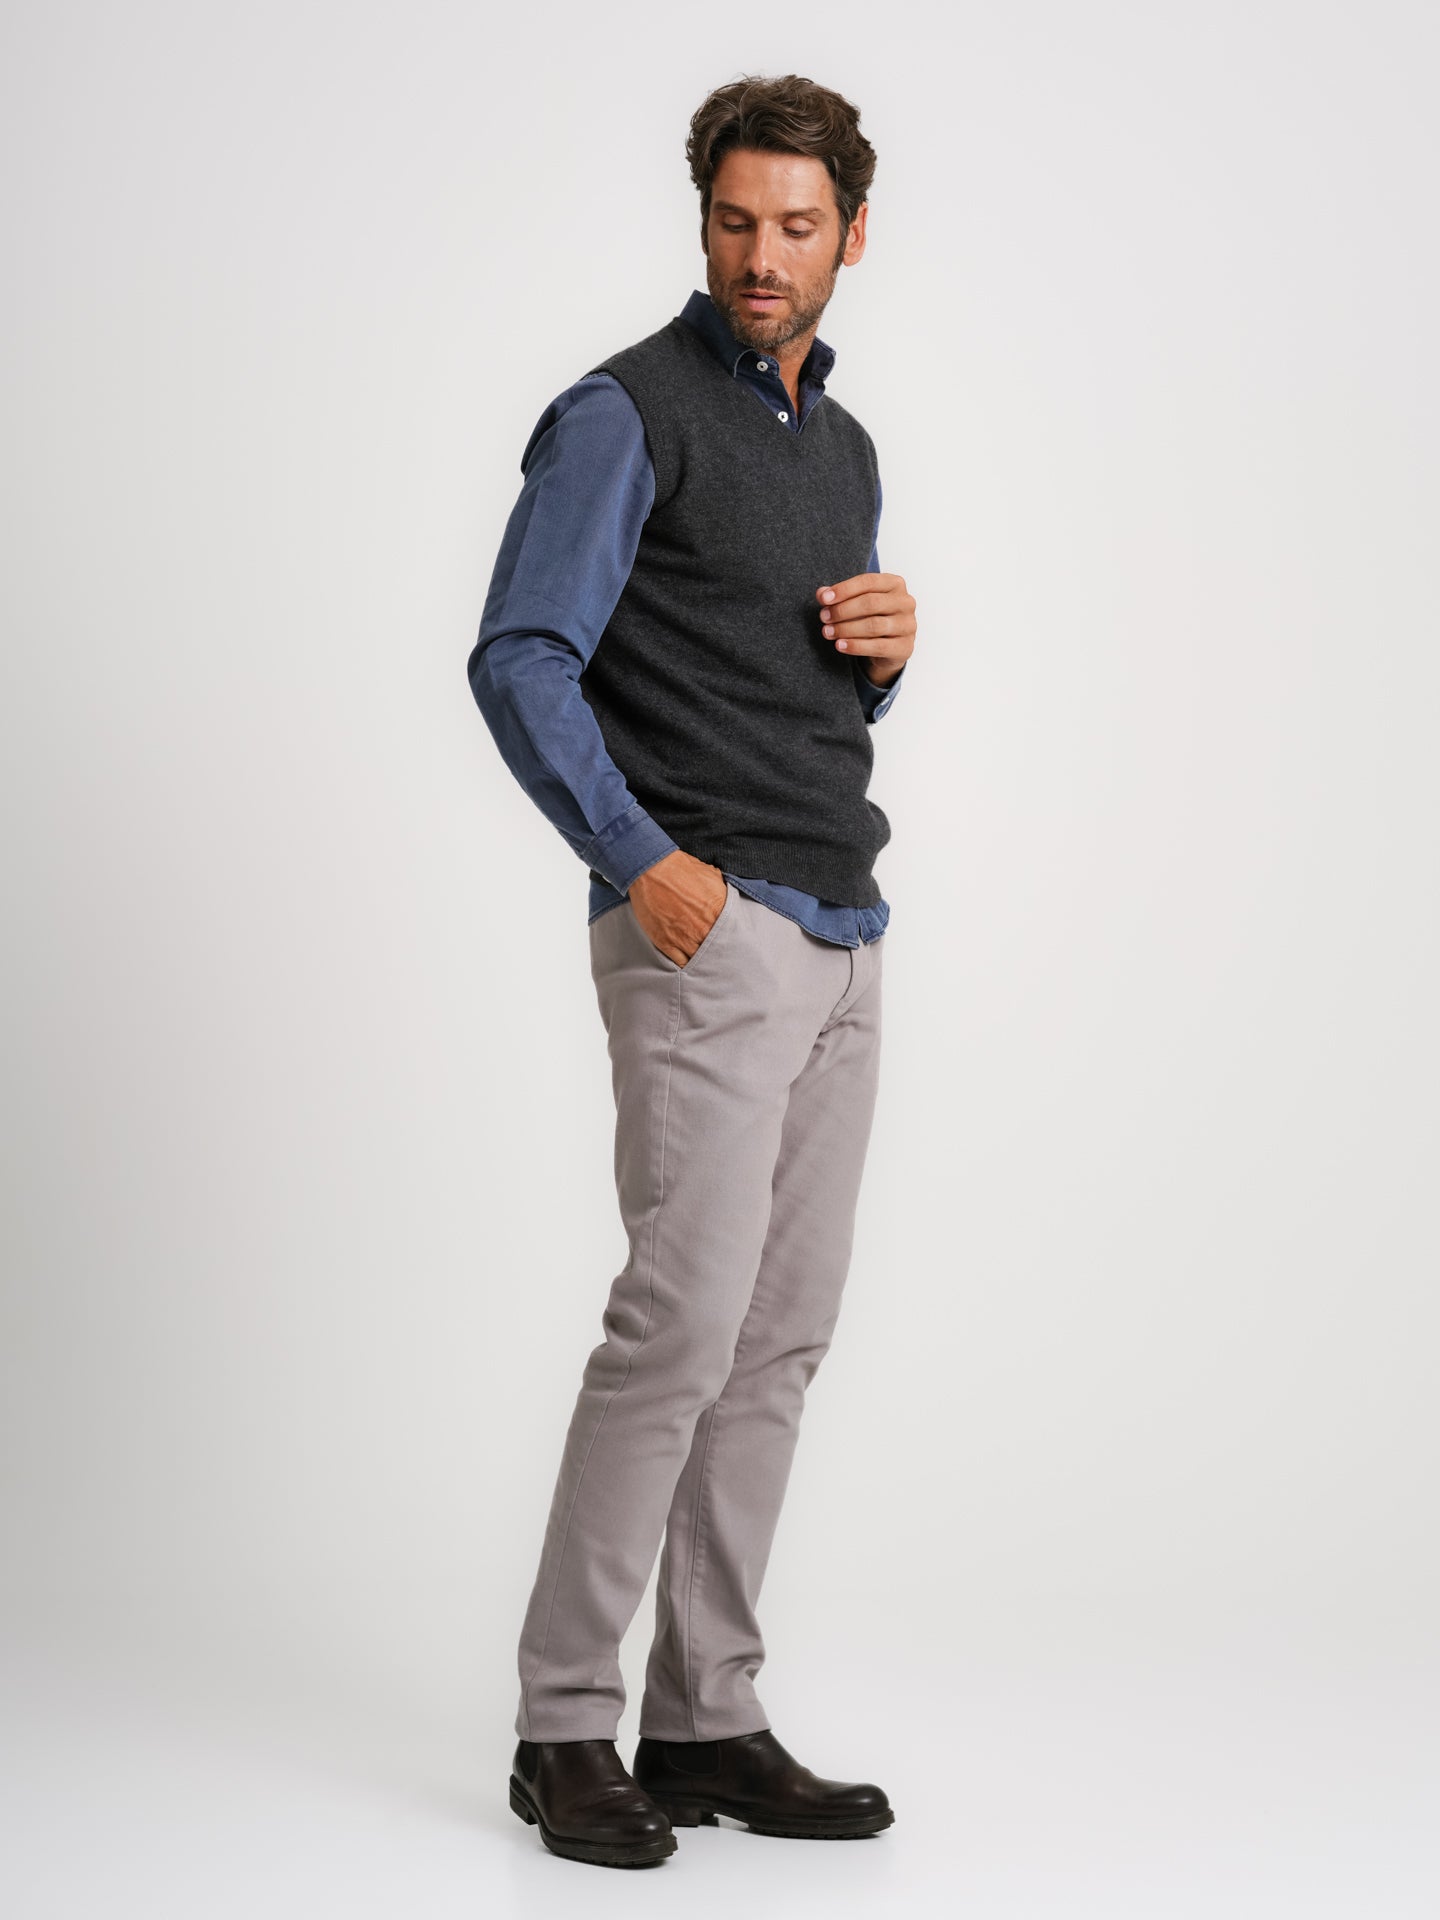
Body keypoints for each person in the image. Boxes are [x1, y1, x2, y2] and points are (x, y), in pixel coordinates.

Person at [468, 71, 918, 1869]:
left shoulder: (846, 448)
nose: (761, 256)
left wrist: (884, 655)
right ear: (705, 221)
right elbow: (521, 656)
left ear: (853, 236)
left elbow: (780, 677)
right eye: (736, 221)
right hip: (704, 930)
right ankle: (563, 1725)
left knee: (778, 1343)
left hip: (844, 927)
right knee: (677, 1330)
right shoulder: (623, 412)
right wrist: (641, 862)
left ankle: (707, 1713)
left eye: (796, 226)